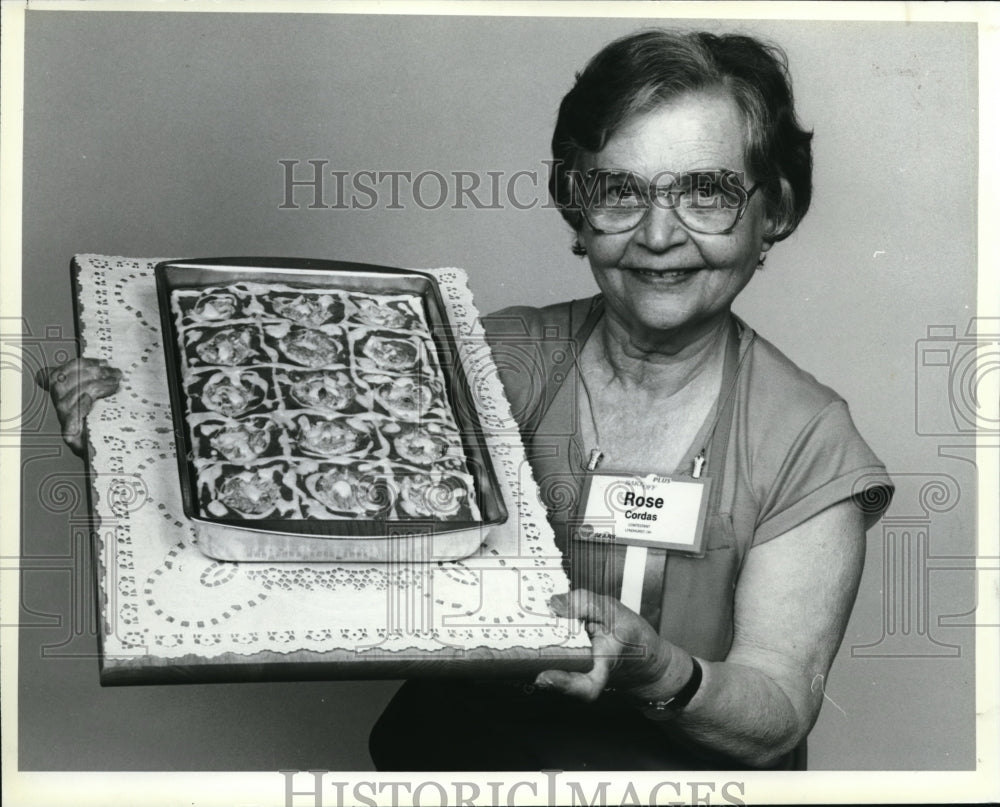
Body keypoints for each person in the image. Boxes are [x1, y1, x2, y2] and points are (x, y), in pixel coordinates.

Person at [41, 29, 893, 771]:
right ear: (575, 206)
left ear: (774, 208)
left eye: (705, 190)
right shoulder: (493, 354)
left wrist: (657, 669)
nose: (659, 234)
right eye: (619, 191)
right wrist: (143, 434)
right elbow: (307, 470)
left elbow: (778, 707)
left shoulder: (808, 438)